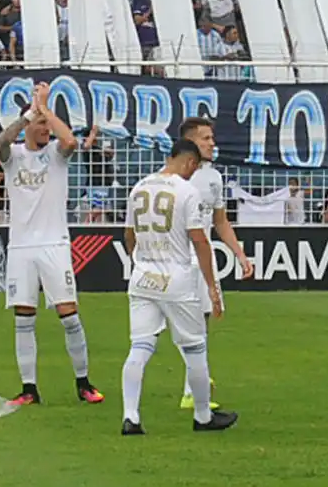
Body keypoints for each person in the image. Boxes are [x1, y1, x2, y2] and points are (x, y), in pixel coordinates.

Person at [0, 83, 103, 406]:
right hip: (21, 248)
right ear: (27, 125)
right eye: (38, 124)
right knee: (24, 318)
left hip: (54, 244)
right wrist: (29, 113)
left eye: (46, 124)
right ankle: (29, 389)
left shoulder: (56, 154)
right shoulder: (13, 156)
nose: (43, 129)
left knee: (69, 315)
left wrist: (47, 109)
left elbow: (69, 140)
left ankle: (83, 382)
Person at [120, 139, 237, 436]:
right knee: (195, 348)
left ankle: (130, 416)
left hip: (143, 278)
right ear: (188, 163)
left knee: (140, 347)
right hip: (177, 280)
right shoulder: (187, 192)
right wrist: (212, 286)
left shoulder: (139, 188)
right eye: (193, 167)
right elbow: (199, 240)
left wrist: (139, 260)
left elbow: (129, 235)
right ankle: (202, 416)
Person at [176, 117, 253, 411]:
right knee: (161, 331)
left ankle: (192, 388)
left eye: (212, 138)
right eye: (206, 138)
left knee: (202, 323)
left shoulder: (214, 177)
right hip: (177, 261)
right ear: (191, 142)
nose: (212, 143)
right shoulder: (173, 176)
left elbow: (220, 221)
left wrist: (240, 255)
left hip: (203, 261)